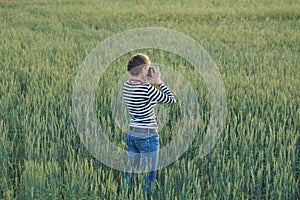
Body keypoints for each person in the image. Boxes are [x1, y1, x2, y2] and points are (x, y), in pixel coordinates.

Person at [122, 53, 176, 195]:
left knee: (130, 172)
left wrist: (145, 79)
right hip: (148, 136)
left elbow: (141, 92)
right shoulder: (148, 89)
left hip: (132, 133)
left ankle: (126, 194)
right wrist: (158, 81)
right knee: (149, 176)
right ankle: (147, 196)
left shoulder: (126, 86)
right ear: (144, 69)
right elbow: (171, 99)